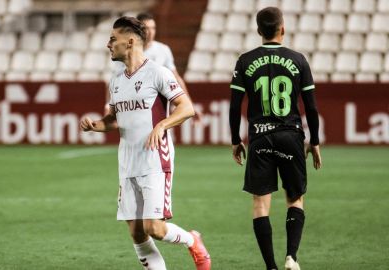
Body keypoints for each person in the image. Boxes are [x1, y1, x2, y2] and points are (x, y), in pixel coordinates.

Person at [80, 16, 211, 270]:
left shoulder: (157, 73)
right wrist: (96, 124)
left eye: (112, 39)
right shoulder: (116, 80)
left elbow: (187, 108)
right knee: (137, 233)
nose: (108, 45)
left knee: (154, 227)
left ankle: (191, 240)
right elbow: (115, 119)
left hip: (154, 159)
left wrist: (162, 125)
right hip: (127, 161)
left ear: (129, 42)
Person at [229, 7, 322, 270]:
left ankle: (270, 266)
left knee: (260, 204)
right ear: (283, 28)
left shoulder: (245, 61)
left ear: (259, 31)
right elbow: (311, 107)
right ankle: (291, 257)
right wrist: (314, 141)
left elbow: (235, 107)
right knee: (295, 199)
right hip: (290, 136)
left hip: (259, 138)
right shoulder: (299, 60)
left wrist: (236, 139)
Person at [106, 13, 201, 121]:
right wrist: (108, 104)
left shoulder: (163, 50)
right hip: (135, 103)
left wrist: (189, 102)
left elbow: (176, 78)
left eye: (153, 28)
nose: (151, 32)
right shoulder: (125, 53)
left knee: (160, 131)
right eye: (147, 28)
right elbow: (115, 80)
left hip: (156, 103)